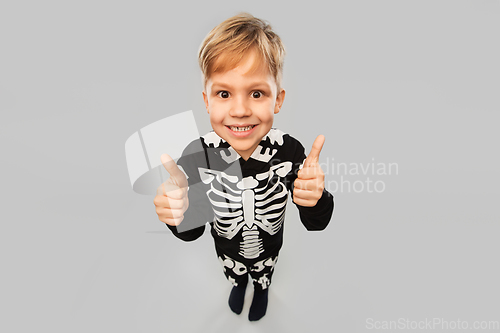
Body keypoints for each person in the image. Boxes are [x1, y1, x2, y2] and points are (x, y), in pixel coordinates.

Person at [153, 12, 334, 321]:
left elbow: (316, 222)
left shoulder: (288, 150)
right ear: (207, 101)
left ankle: (261, 289)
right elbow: (192, 232)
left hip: (269, 249)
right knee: (233, 273)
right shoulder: (198, 155)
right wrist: (178, 215)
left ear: (278, 100)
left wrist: (316, 199)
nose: (239, 110)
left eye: (257, 93)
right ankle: (239, 284)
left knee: (265, 273)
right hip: (227, 251)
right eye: (224, 93)